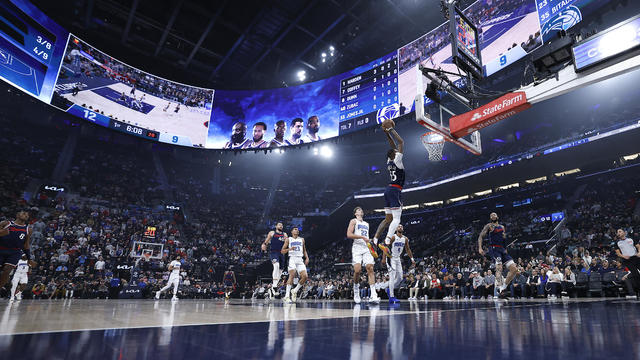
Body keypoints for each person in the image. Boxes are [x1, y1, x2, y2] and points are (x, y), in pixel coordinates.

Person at [373, 125, 405, 252]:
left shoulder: (389, 160)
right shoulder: (398, 160)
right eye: (396, 151)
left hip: (387, 190)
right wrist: (391, 129)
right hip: (395, 190)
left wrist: (386, 134)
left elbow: (392, 146)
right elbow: (401, 142)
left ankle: (375, 239)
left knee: (388, 219)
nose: (398, 150)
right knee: (397, 219)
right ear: (395, 154)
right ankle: (386, 241)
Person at [478, 212, 517, 299]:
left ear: (497, 217)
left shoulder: (502, 227)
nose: (493, 216)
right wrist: (480, 248)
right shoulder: (489, 226)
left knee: (514, 269)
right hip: (494, 249)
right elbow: (480, 236)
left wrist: (505, 247)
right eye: (491, 215)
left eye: (494, 214)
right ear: (490, 218)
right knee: (499, 268)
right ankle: (499, 288)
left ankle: (504, 288)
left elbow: (504, 238)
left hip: (502, 249)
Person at [346, 207, 380, 304]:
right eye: (358, 210)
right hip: (357, 247)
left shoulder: (366, 224)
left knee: (370, 268)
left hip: (366, 247)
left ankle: (374, 294)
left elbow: (367, 237)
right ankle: (356, 290)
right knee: (357, 270)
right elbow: (349, 234)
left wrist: (371, 242)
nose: (361, 210)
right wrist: (361, 237)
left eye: (361, 210)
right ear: (355, 213)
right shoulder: (353, 221)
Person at [382, 224, 415, 304]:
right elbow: (385, 247)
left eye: (401, 226)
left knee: (400, 278)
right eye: (399, 226)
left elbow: (408, 249)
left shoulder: (405, 239)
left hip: (398, 259)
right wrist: (383, 259)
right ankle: (392, 296)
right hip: (391, 258)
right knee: (392, 276)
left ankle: (390, 288)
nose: (400, 227)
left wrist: (412, 259)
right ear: (396, 229)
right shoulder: (393, 237)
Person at [0, 210, 32, 290]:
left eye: (27, 215)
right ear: (17, 215)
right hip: (1, 249)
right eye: (23, 213)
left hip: (15, 252)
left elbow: (26, 245)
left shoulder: (28, 229)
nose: (25, 215)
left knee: (7, 270)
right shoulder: (6, 223)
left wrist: (28, 258)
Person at [281, 227, 309, 303]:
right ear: (291, 231)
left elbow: (304, 250)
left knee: (305, 276)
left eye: (297, 229)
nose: (296, 230)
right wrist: (289, 249)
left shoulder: (302, 239)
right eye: (295, 229)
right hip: (292, 259)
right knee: (292, 275)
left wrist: (307, 258)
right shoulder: (288, 239)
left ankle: (295, 290)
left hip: (300, 259)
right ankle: (287, 296)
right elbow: (282, 251)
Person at [262, 223, 288, 299]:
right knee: (276, 266)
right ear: (276, 226)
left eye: (282, 225)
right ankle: (274, 287)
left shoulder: (285, 234)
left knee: (281, 271)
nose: (281, 226)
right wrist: (264, 244)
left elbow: (287, 243)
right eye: (279, 225)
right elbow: (266, 241)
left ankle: (274, 286)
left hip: (281, 253)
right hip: (274, 252)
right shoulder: (272, 233)